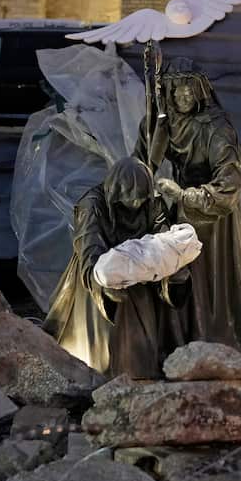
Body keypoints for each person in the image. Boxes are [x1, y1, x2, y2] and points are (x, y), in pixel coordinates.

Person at [146, 60, 241, 357]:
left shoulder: (216, 128)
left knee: (207, 278)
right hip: (181, 209)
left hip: (212, 216)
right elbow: (147, 160)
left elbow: (230, 185)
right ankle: (180, 342)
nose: (181, 100)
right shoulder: (168, 121)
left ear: (199, 93)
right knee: (179, 275)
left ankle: (211, 339)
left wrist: (184, 195)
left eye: (187, 93)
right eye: (175, 94)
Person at [44, 157, 187, 378]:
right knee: (104, 342)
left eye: (141, 200)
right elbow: (89, 249)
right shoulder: (92, 205)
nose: (137, 205)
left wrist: (173, 265)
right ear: (117, 194)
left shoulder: (153, 201)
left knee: (148, 333)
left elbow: (163, 236)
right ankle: (105, 372)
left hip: (140, 273)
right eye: (131, 200)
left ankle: (149, 367)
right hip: (99, 276)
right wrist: (102, 286)